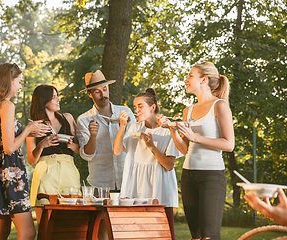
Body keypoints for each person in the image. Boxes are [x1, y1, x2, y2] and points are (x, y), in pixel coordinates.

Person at [162, 62, 235, 240]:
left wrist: (196, 138)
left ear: (203, 80)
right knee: (196, 236)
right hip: (188, 176)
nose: (186, 80)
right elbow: (185, 149)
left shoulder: (219, 106)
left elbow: (229, 144)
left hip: (211, 177)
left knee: (209, 236)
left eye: (190, 76)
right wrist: (172, 129)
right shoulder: (188, 110)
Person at [0, 63, 49, 240]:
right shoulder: (7, 106)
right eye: (18, 82)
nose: (20, 86)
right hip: (11, 174)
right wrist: (27, 130)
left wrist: (29, 131)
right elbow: (9, 147)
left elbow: (2, 142)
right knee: (27, 233)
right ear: (7, 81)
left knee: (0, 234)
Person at [113, 88, 180, 240]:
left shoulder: (168, 129)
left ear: (152, 107)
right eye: (135, 106)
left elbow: (169, 165)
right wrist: (122, 126)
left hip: (159, 189)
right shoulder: (134, 127)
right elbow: (117, 151)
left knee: (163, 235)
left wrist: (152, 147)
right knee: (135, 235)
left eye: (140, 106)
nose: (136, 110)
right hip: (135, 188)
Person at [76, 70, 135, 240]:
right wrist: (93, 135)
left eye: (104, 89)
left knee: (125, 230)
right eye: (97, 91)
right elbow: (87, 155)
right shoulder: (84, 120)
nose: (103, 94)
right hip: (100, 184)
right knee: (101, 231)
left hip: (126, 180)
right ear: (89, 94)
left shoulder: (125, 112)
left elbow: (136, 144)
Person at [26, 84, 81, 224]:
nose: (58, 100)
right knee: (46, 223)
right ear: (44, 100)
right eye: (54, 97)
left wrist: (71, 145)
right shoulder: (34, 125)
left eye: (58, 96)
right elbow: (31, 160)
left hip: (69, 172)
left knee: (73, 222)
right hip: (45, 173)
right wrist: (42, 145)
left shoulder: (68, 118)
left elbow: (81, 149)